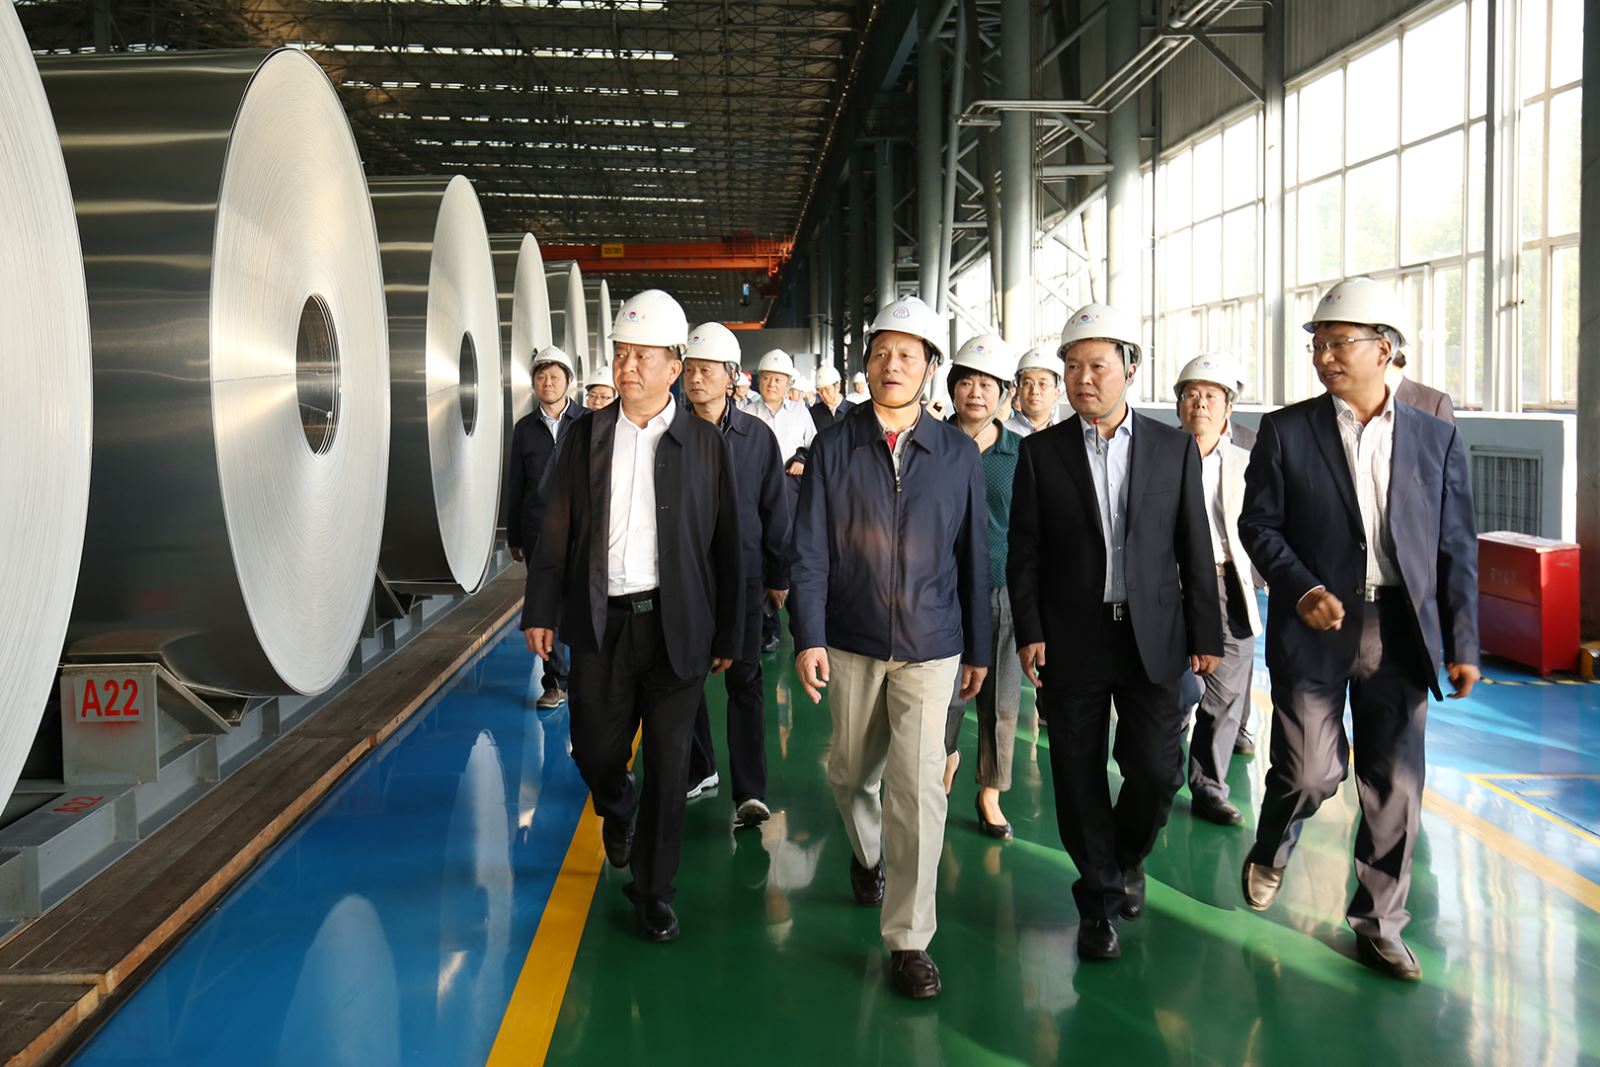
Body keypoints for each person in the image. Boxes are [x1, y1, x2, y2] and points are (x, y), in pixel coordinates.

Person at [1238, 278, 1479, 982]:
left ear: (1385, 348)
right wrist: (1304, 587)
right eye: (1318, 344)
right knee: (1310, 771)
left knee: (1395, 782)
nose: (1325, 356)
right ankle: (1272, 842)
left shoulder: (1435, 436)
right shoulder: (1287, 430)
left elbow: (1456, 545)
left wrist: (1463, 642)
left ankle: (1379, 924)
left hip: (1399, 628)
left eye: (1339, 343)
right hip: (1316, 623)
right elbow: (1259, 526)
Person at [523, 289, 744, 944]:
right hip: (602, 622)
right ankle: (616, 806)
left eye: (643, 356)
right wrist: (540, 607)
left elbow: (730, 545)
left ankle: (653, 890)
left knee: (670, 770)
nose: (627, 367)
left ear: (674, 366)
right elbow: (554, 529)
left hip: (678, 627)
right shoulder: (586, 436)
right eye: (621, 354)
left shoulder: (704, 445)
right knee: (595, 748)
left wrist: (730, 631)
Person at [1008, 302, 1222, 963]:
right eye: (1072, 366)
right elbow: (1025, 550)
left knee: (1157, 770)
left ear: (1130, 368)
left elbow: (1194, 544)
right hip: (1072, 635)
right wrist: (1030, 628)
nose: (1082, 379)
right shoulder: (1041, 454)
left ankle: (1125, 857)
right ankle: (1098, 899)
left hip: (1152, 636)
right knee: (1075, 774)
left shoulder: (1172, 448)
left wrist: (1206, 632)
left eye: (1097, 366)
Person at [791, 294, 990, 1000]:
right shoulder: (834, 446)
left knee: (919, 789)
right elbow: (809, 550)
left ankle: (909, 939)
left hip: (933, 645)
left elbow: (974, 558)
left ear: (930, 366)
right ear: (867, 363)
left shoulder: (957, 454)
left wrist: (979, 648)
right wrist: (809, 635)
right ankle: (868, 852)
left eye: (908, 354)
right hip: (851, 638)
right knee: (851, 774)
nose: (892, 364)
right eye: (881, 353)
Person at [680, 321, 791, 827]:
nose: (695, 378)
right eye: (689, 369)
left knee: (745, 681)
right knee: (685, 679)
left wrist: (778, 574)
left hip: (743, 578)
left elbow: (775, 510)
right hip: (686, 580)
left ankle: (750, 791)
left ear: (731, 377)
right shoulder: (670, 433)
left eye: (706, 370)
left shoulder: (757, 438)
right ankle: (699, 767)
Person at [1170, 354, 1262, 826]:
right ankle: (1163, 773)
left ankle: (1208, 786)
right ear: (1179, 405)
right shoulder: (1158, 452)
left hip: (1229, 584)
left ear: (1229, 406)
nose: (1200, 403)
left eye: (1211, 395)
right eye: (1191, 394)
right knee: (1174, 688)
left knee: (1224, 694)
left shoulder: (1251, 456)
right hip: (1171, 585)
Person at [940, 332, 1024, 839]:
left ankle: (991, 791)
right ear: (952, 387)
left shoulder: (1020, 453)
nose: (975, 392)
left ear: (1004, 394)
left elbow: (1031, 529)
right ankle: (941, 765)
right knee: (943, 695)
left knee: (1001, 700)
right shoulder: (932, 443)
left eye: (987, 384)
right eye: (966, 382)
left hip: (1001, 587)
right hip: (941, 591)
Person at [504, 345, 583, 709]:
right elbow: (516, 485)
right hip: (538, 532)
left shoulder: (587, 423)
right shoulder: (524, 429)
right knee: (546, 608)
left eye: (554, 377)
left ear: (568, 381)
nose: (547, 383)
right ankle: (556, 682)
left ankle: (588, 675)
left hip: (582, 531)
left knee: (583, 603)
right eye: (541, 377)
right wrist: (515, 535)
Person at [740, 347, 816, 652]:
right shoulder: (746, 412)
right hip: (755, 494)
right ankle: (767, 629)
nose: (772, 384)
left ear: (788, 383)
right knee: (761, 558)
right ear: (759, 380)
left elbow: (813, 447)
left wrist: (801, 458)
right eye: (767, 378)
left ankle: (804, 631)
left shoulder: (799, 413)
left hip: (789, 493)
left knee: (793, 558)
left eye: (778, 379)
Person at [1004, 346, 1065, 437]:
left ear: (1056, 393)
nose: (1034, 391)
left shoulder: (1066, 435)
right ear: (1018, 390)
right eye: (1027, 383)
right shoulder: (1001, 434)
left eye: (1043, 384)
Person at [809, 364, 853, 431]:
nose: (823, 394)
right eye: (819, 391)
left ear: (838, 387)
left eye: (827, 389)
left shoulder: (854, 411)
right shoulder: (813, 413)